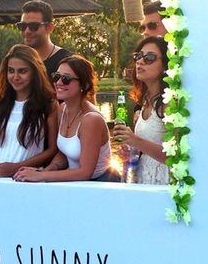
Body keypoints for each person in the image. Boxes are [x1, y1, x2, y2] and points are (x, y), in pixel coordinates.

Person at [14, 55, 119, 182]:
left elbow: (85, 172)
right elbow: (64, 153)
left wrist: (41, 176)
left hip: (100, 182)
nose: (58, 82)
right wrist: (45, 170)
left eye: (66, 79)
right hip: (78, 182)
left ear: (84, 85)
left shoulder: (91, 120)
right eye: (56, 76)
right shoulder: (62, 109)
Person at [0, 44, 60, 178]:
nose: (15, 77)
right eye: (11, 71)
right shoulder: (0, 102)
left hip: (25, 180)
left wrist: (16, 167)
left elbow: (52, 150)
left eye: (22, 71)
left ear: (35, 72)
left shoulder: (48, 105)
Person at [112, 36, 170, 184]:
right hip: (143, 179)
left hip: (163, 182)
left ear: (165, 66)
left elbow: (174, 157)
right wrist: (132, 150)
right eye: (138, 56)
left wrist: (135, 140)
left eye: (149, 57)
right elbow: (147, 148)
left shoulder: (169, 104)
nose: (140, 61)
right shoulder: (145, 102)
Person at [17, 0, 72, 77]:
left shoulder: (66, 62)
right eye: (22, 26)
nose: (27, 31)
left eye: (33, 26)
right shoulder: (18, 62)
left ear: (49, 28)